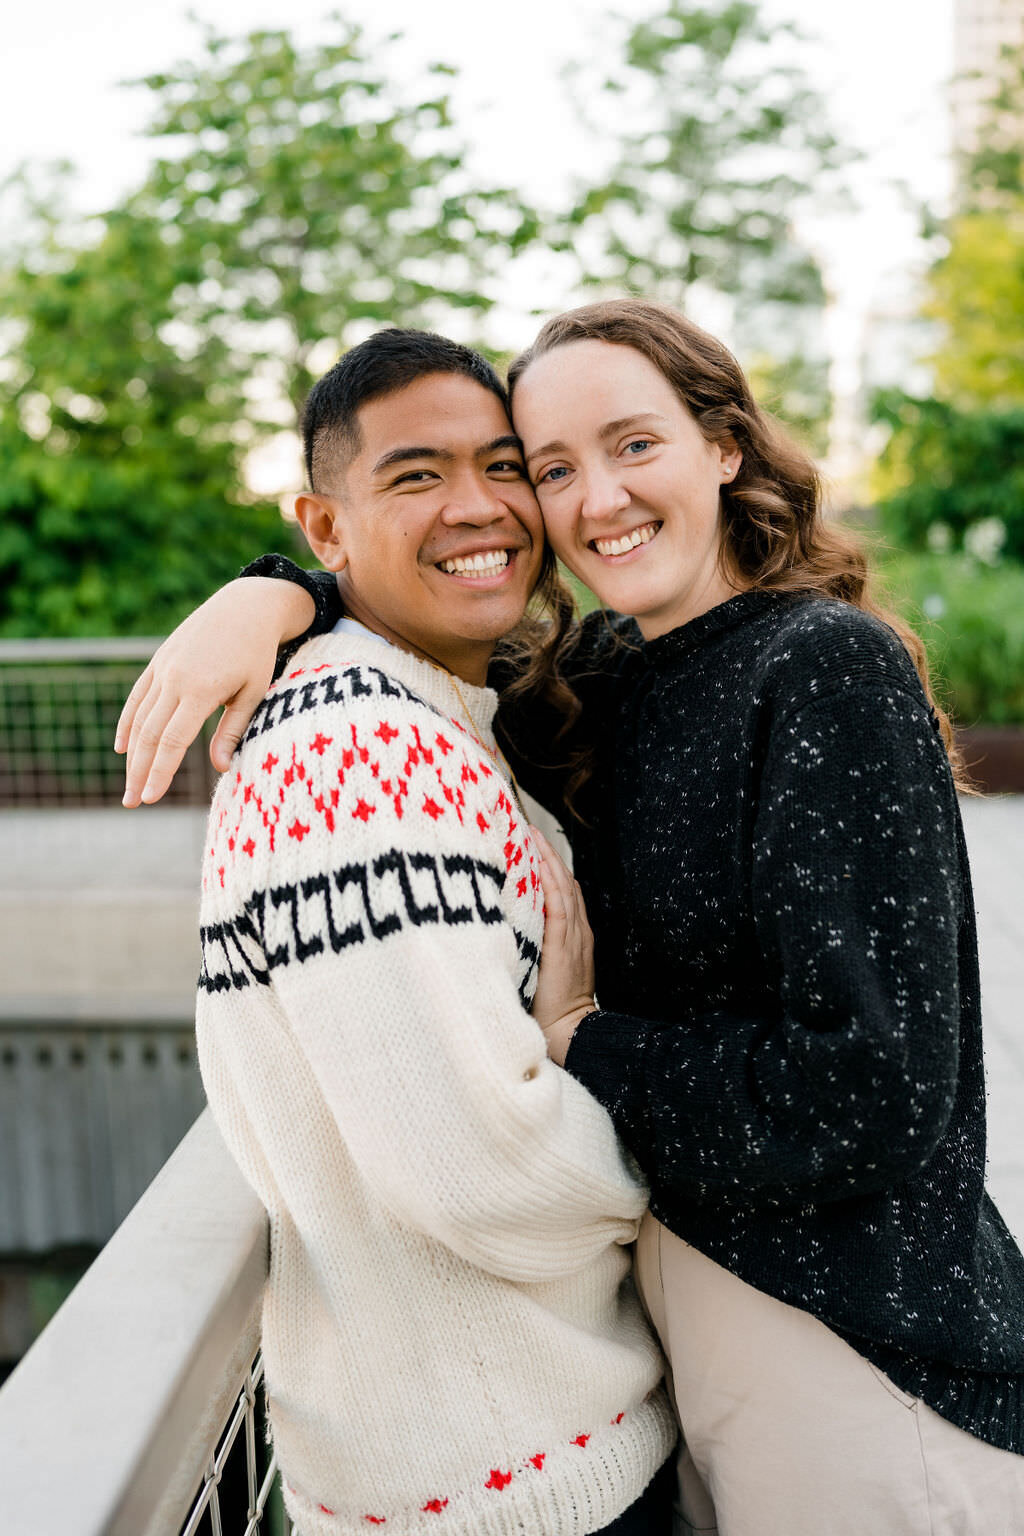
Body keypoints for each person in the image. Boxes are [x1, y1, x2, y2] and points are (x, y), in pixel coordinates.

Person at [119, 303, 1024, 1534]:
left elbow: (873, 1086)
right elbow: (411, 614)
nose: (594, 499)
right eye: (552, 467)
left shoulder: (823, 667)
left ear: (724, 447)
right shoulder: (600, 679)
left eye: (633, 445)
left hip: (850, 1331)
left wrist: (587, 1046)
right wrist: (274, 596)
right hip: (674, 1330)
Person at [150, 328, 677, 1536]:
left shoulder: (439, 712)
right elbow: (478, 1166)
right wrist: (696, 1171)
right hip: (507, 1483)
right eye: (414, 475)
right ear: (324, 525)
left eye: (504, 467)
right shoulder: (355, 751)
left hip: (530, 1447)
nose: (478, 507)